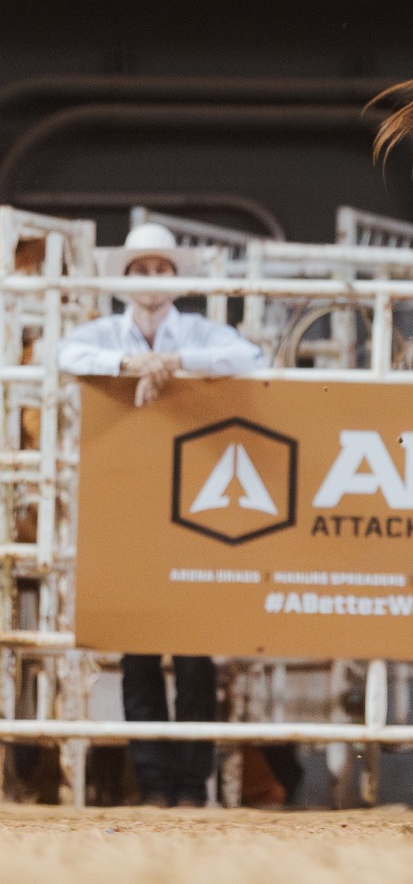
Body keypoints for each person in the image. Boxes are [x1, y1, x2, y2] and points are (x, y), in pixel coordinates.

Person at [57, 222, 266, 807]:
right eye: (141, 270)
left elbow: (245, 356)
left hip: (190, 498)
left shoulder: (198, 332)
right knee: (139, 646)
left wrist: (175, 360)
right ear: (125, 280)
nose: (151, 281)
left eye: (161, 269)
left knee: (193, 648)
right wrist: (135, 363)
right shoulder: (104, 334)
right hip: (133, 504)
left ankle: (189, 783)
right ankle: (156, 782)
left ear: (177, 279)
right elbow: (66, 353)